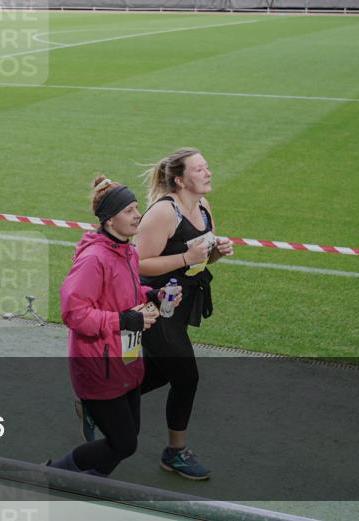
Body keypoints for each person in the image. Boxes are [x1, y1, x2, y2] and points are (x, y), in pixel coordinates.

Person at [47, 176, 180, 476]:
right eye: (129, 210)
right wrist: (123, 320)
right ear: (109, 220)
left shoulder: (128, 252)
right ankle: (53, 475)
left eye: (137, 208)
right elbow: (74, 313)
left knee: (128, 436)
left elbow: (126, 294)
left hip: (126, 360)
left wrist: (154, 296)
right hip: (99, 366)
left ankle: (92, 482)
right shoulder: (94, 259)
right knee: (124, 444)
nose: (138, 215)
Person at [134, 148, 234, 480]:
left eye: (207, 167)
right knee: (186, 377)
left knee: (162, 372)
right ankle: (175, 452)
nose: (208, 173)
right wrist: (186, 258)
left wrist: (216, 253)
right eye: (200, 169)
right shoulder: (164, 213)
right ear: (179, 180)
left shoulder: (203, 207)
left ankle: (99, 401)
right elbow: (138, 264)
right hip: (155, 305)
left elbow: (200, 257)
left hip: (182, 301)